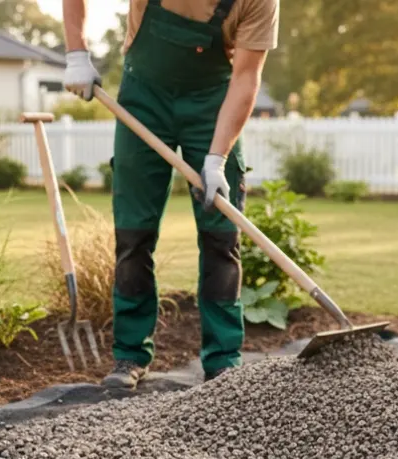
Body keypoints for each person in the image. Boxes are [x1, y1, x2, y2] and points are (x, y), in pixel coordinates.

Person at [61, 0, 279, 389]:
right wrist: (77, 51)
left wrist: (217, 157)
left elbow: (246, 77)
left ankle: (223, 361)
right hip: (143, 99)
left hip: (213, 104)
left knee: (221, 235)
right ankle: (130, 354)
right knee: (134, 234)